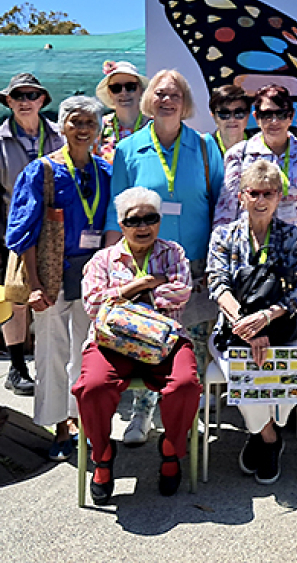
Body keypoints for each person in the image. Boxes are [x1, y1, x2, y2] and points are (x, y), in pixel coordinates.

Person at [214, 83, 297, 438]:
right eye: (265, 114)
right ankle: (263, 408)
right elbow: (226, 211)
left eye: (279, 113)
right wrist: (224, 255)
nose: (272, 121)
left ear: (290, 117)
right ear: (256, 116)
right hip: (250, 263)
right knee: (256, 330)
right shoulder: (239, 155)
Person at [105, 69, 223, 446]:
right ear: (148, 101)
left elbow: (221, 206)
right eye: (159, 94)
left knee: (195, 341)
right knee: (145, 340)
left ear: (185, 102)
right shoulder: (128, 149)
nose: (167, 100)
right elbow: (114, 210)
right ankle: (142, 409)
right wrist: (113, 263)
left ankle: (190, 412)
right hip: (145, 266)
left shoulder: (205, 147)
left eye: (174, 94)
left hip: (197, 263)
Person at [74, 187, 199, 504]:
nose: (143, 227)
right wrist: (142, 284)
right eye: (134, 220)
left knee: (185, 384)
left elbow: (181, 292)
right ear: (121, 223)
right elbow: (92, 304)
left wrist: (121, 297)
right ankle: (102, 456)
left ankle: (170, 448)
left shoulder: (174, 252)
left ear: (159, 221)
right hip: (111, 343)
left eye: (150, 218)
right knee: (92, 387)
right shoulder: (103, 259)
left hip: (164, 340)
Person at [6, 96, 111, 460]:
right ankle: (59, 427)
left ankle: (81, 418)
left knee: (86, 351)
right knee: (51, 350)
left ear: (98, 129)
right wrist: (34, 286)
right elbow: (24, 233)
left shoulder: (104, 171)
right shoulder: (42, 171)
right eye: (75, 122)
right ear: (62, 126)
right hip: (51, 274)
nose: (83, 130)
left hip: (92, 275)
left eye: (90, 123)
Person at [207, 160, 297, 484]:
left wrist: (266, 319)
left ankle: (266, 428)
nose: (261, 199)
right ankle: (269, 437)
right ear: (241, 196)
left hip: (288, 327)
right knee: (244, 374)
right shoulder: (224, 236)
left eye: (268, 192)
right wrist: (245, 325)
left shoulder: (291, 235)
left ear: (279, 196)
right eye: (254, 192)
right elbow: (218, 284)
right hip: (234, 330)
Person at [0, 73, 63, 396]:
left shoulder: (60, 136)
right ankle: (17, 366)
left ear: (42, 101)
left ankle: (54, 366)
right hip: (13, 233)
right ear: (8, 101)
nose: (25, 100)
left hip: (57, 231)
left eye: (31, 95)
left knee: (57, 299)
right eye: (18, 95)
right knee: (15, 299)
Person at [94, 60, 150, 163]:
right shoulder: (99, 125)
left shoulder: (155, 126)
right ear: (109, 93)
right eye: (116, 88)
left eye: (130, 87)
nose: (123, 93)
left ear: (141, 90)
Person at [208, 84, 252, 156]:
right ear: (213, 116)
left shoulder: (262, 147)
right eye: (224, 114)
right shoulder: (201, 149)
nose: (232, 119)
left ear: (248, 115)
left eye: (239, 113)